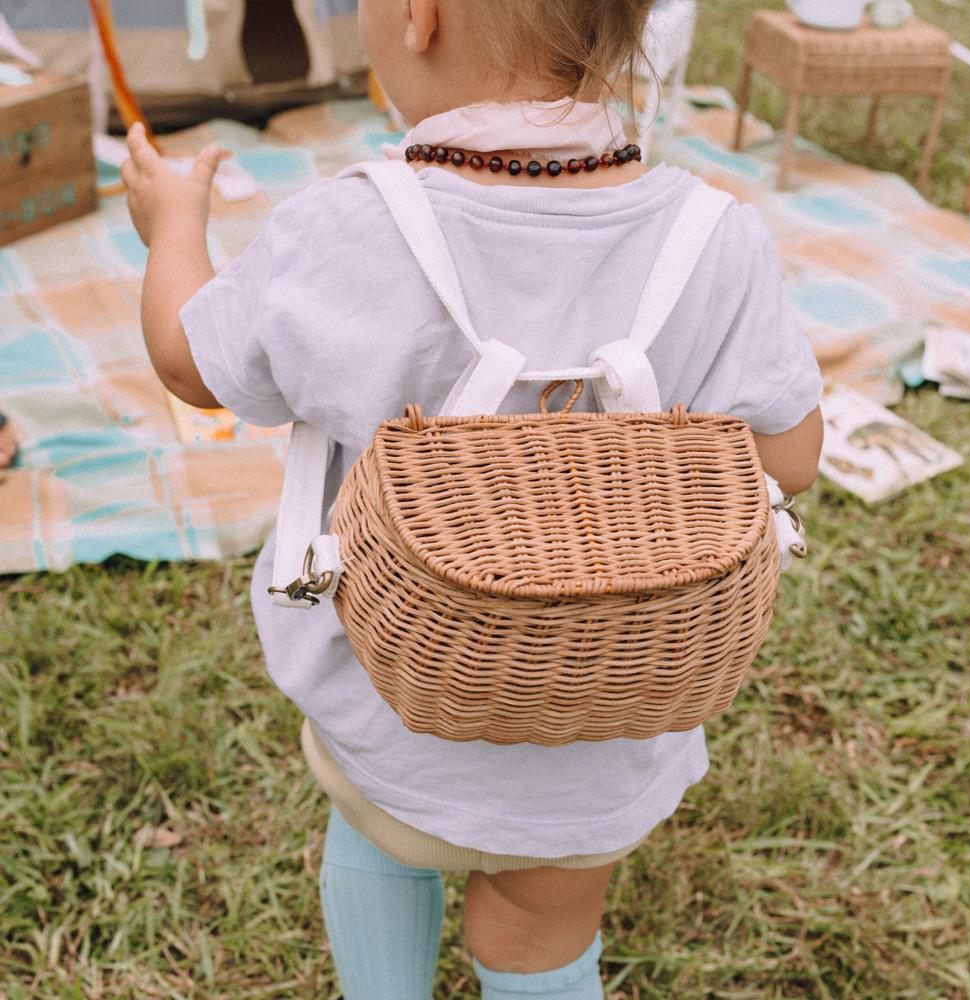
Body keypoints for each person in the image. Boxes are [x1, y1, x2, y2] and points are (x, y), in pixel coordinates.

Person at [121, 0, 825, 995]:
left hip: (393, 704)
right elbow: (788, 459)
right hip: (612, 718)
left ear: (417, 16)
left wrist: (174, 224)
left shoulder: (343, 226)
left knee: (380, 834)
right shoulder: (714, 237)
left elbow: (187, 362)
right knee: (541, 934)